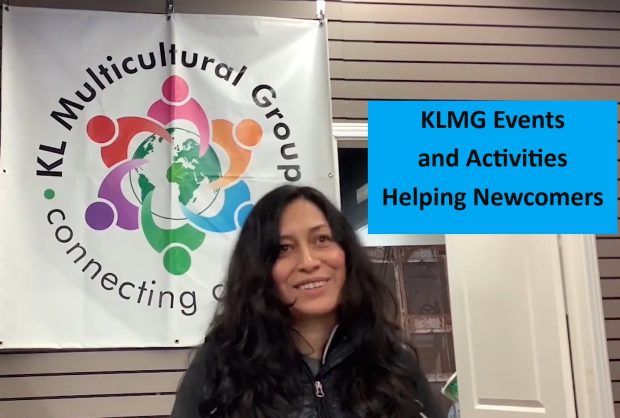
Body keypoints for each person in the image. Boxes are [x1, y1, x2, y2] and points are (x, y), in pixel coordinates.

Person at [171, 185, 441, 418]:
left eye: (321, 239)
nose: (309, 262)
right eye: (284, 248)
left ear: (345, 252)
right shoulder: (220, 367)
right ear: (259, 269)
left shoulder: (392, 361)